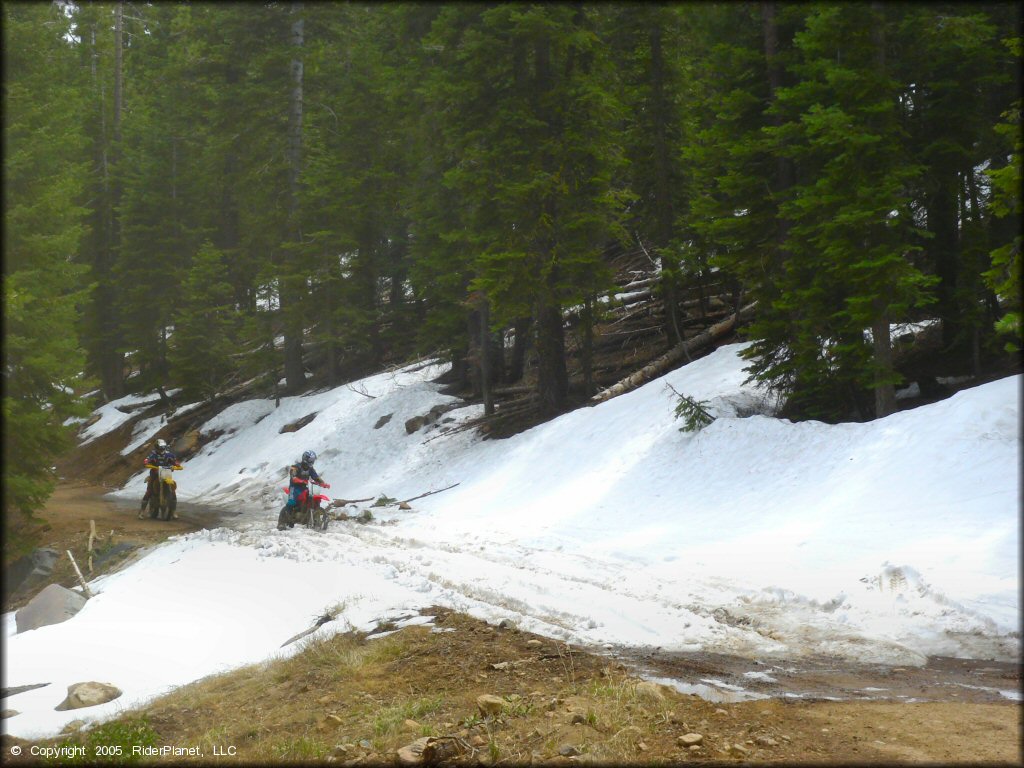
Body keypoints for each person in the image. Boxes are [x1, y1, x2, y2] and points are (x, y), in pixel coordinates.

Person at [278, 450, 329, 530]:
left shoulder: (310, 469)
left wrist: (323, 483)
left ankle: (315, 517)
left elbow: (316, 477)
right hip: (294, 488)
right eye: (310, 460)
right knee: (292, 502)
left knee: (312, 497)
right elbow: (293, 477)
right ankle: (281, 522)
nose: (312, 462)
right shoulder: (295, 467)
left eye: (313, 460)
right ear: (305, 459)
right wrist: (299, 480)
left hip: (304, 488)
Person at [140, 438, 179, 519]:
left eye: (163, 447)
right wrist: (146, 462)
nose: (162, 449)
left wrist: (176, 464)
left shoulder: (169, 454)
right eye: (160, 447)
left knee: (173, 489)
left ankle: (174, 511)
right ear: (156, 447)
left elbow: (175, 461)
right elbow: (147, 460)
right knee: (149, 490)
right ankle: (142, 511)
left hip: (166, 473)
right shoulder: (153, 454)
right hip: (155, 473)